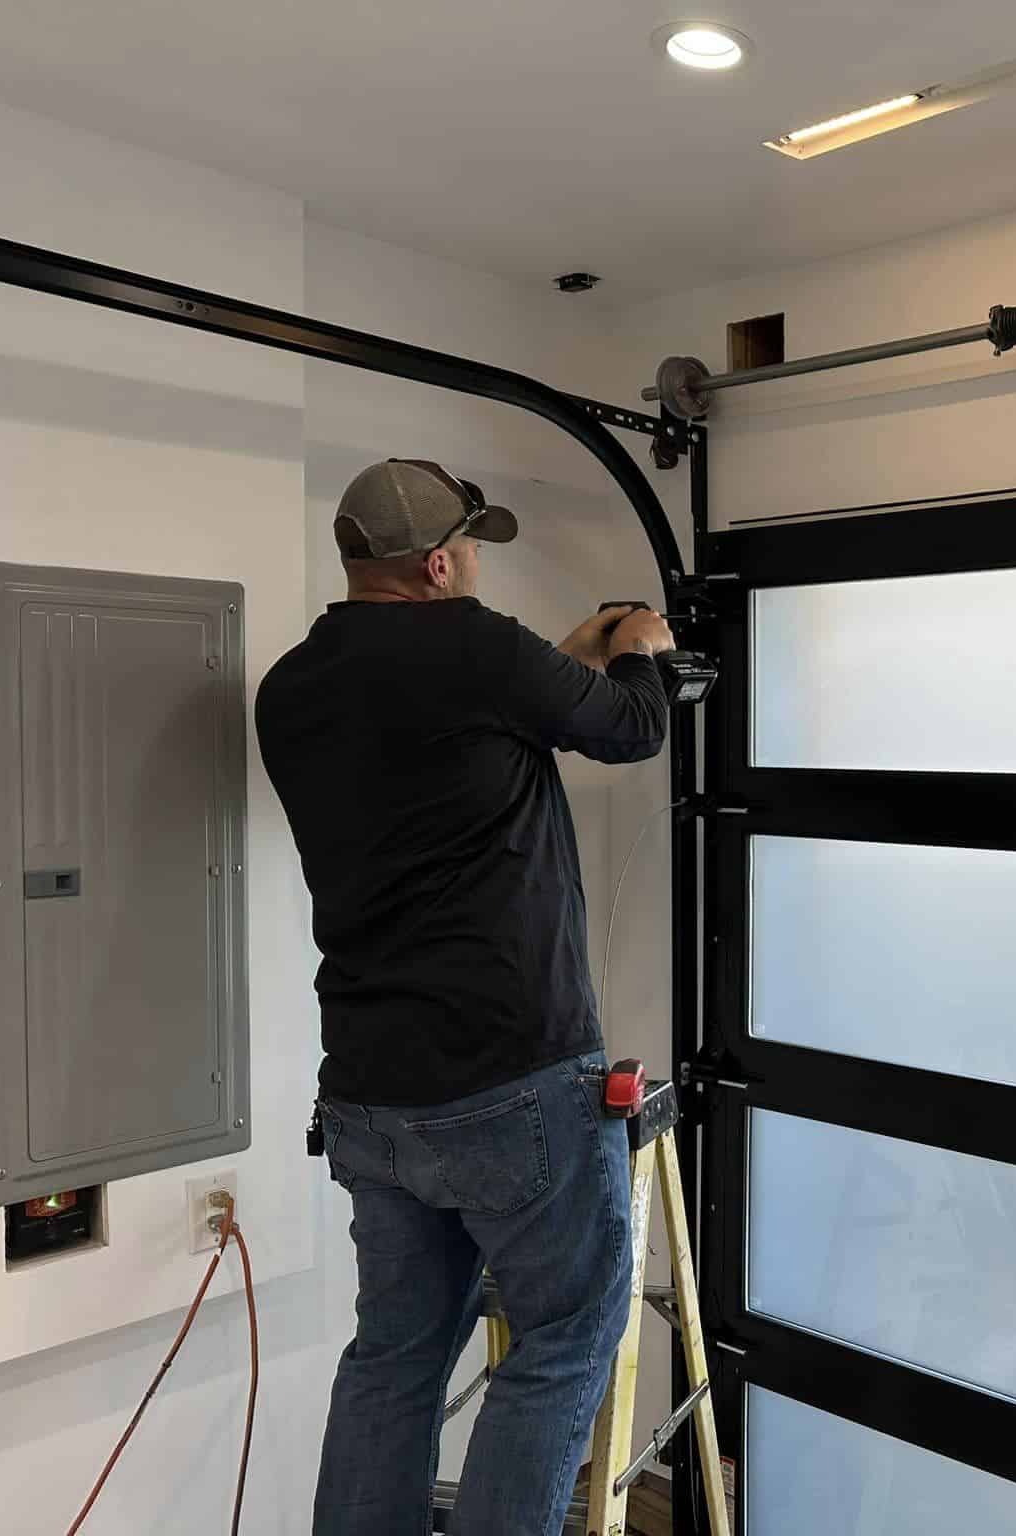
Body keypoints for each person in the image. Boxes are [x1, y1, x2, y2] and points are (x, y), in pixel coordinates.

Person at [255, 458, 675, 1534]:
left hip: (371, 1093)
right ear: (442, 562)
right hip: (514, 1081)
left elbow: (467, 728)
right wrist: (643, 653)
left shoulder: (293, 685)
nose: (477, 563)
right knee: (564, 1338)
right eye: (473, 547)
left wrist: (562, 662)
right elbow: (629, 728)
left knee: (392, 1355)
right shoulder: (476, 651)